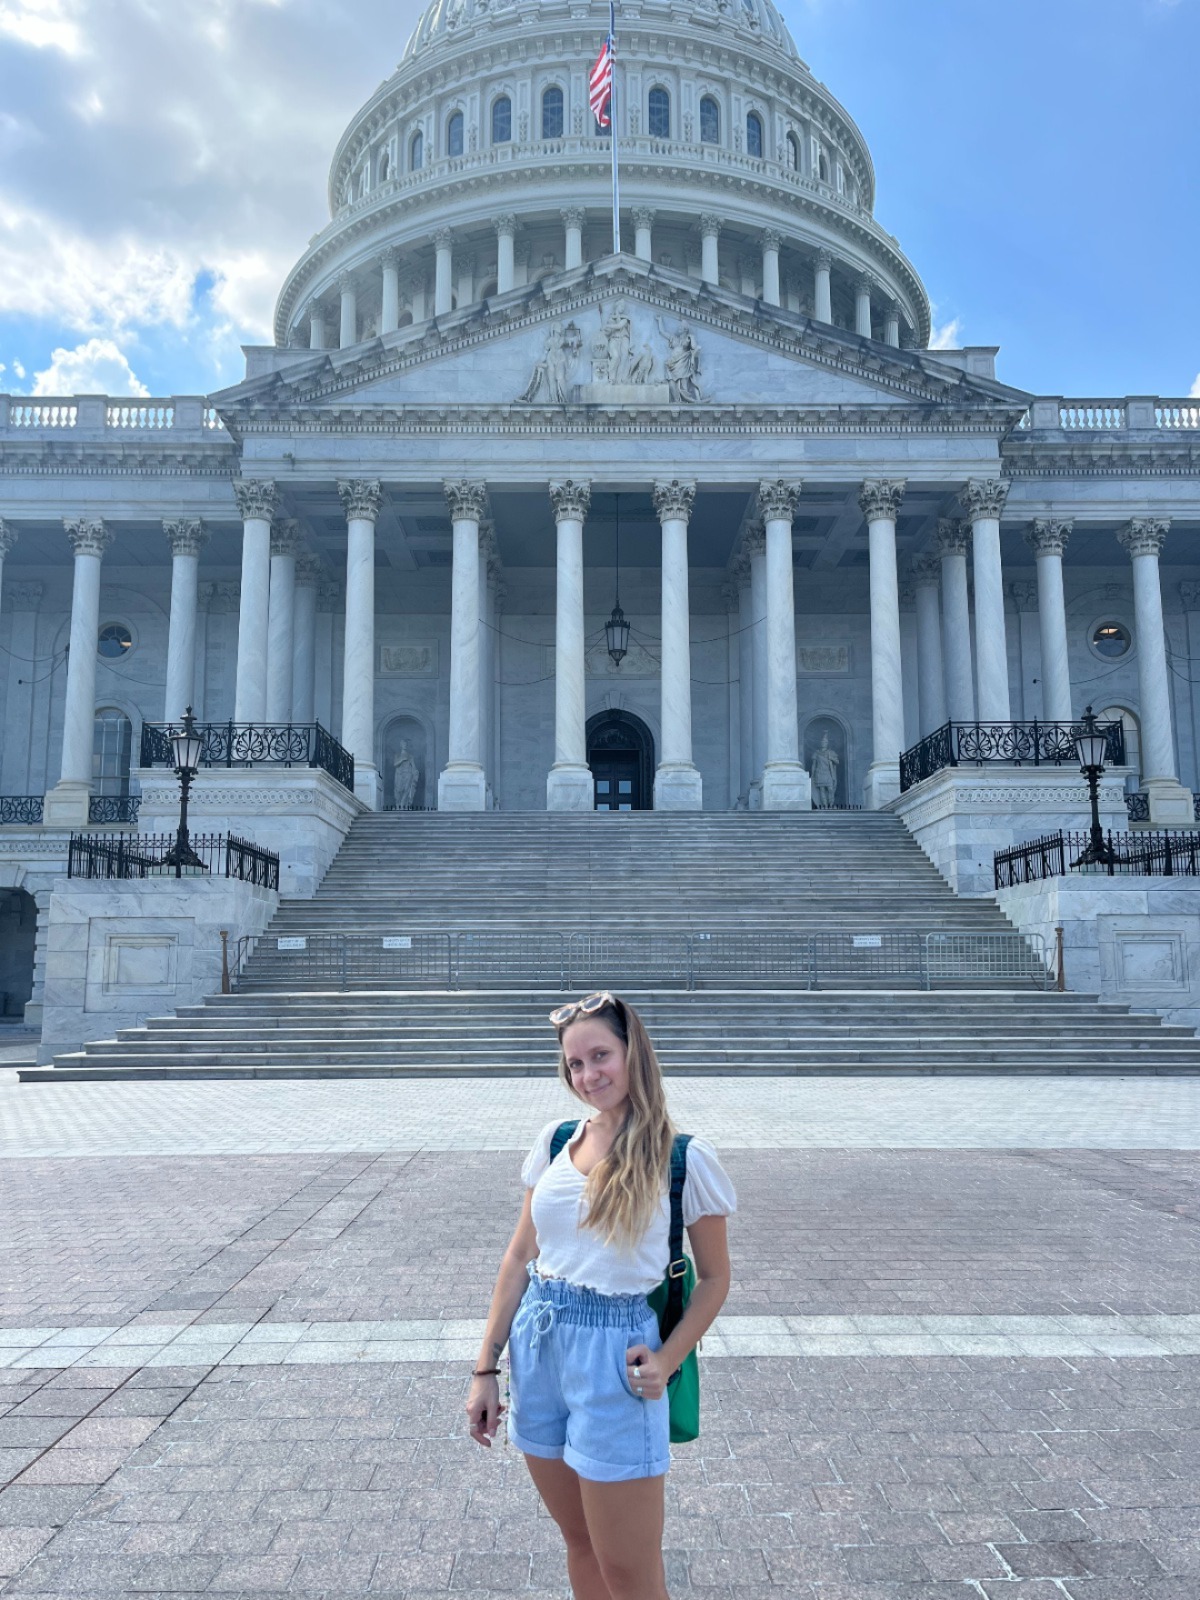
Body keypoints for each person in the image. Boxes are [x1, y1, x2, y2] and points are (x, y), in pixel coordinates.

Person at [466, 991, 736, 1600]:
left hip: (618, 1357)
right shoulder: (557, 1139)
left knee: (631, 1574)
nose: (588, 1075)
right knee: (581, 1544)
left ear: (634, 1051)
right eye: (575, 1064)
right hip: (540, 1347)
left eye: (600, 1055)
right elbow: (519, 1256)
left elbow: (715, 1279)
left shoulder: (683, 1159)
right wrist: (485, 1367)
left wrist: (667, 1359)